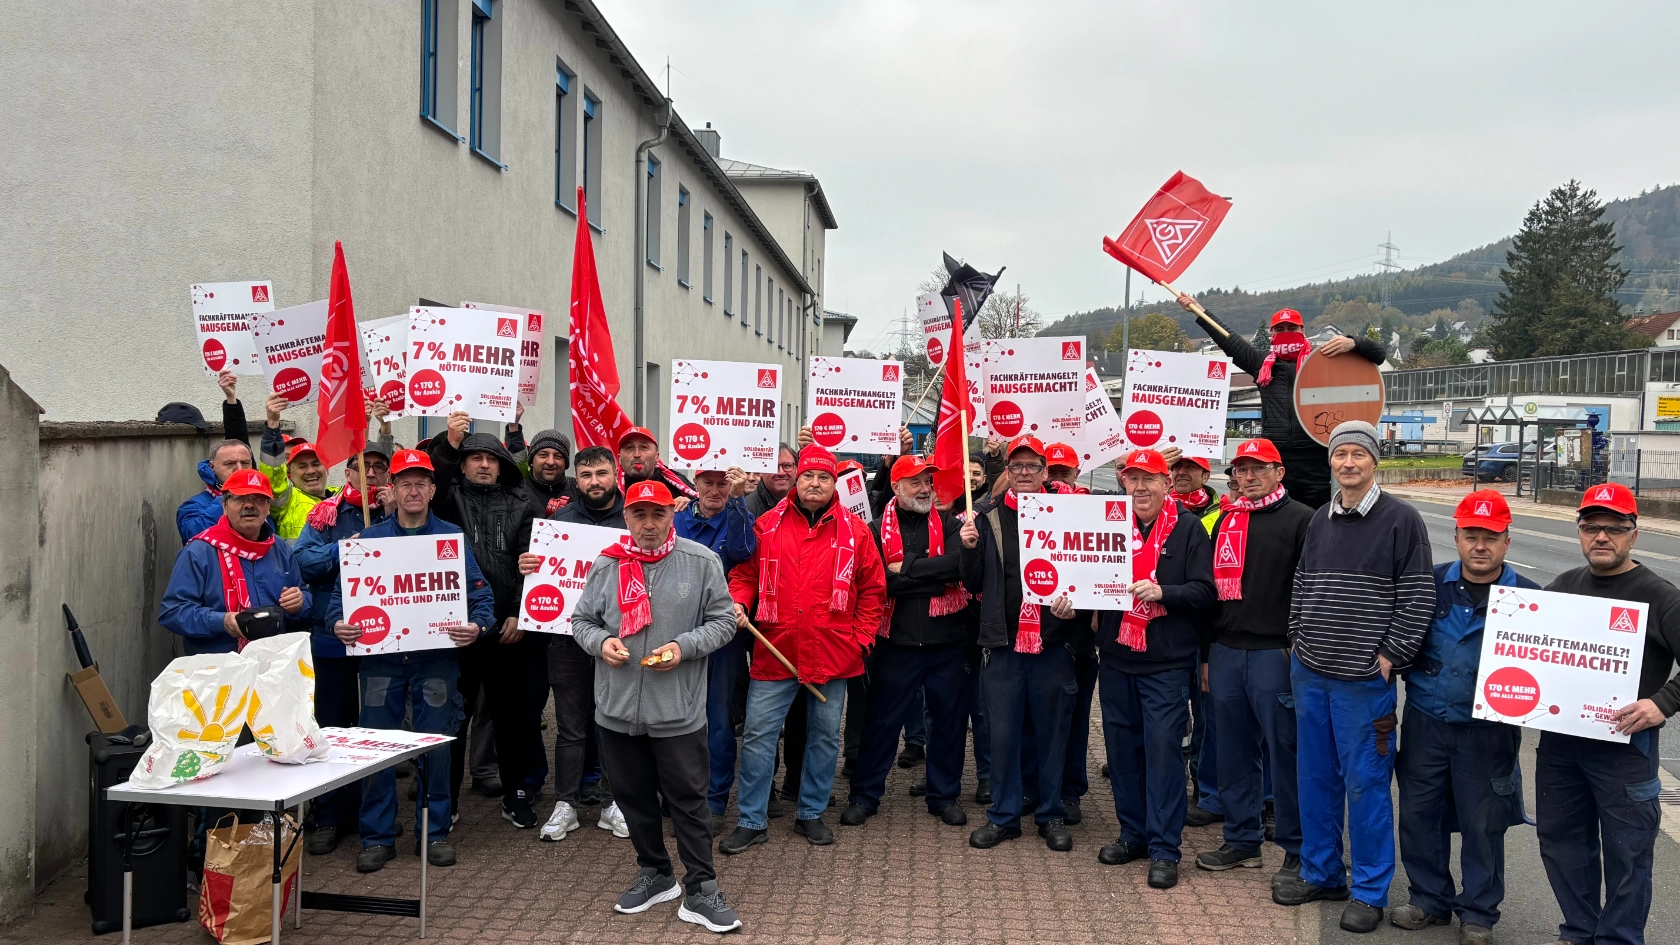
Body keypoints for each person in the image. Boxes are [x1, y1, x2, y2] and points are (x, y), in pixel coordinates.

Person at [1275, 420, 1433, 934]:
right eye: (1340, 453)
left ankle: (1369, 890)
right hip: (1311, 671)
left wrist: (1390, 656)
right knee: (1314, 778)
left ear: (1374, 460)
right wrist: (1297, 636)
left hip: (1364, 682)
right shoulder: (1321, 518)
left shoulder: (1401, 520)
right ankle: (1322, 872)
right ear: (1331, 461)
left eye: (1358, 454)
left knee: (1366, 786)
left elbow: (1417, 595)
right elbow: (1302, 581)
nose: (1348, 462)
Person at [570, 479, 743, 933]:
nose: (648, 524)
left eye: (658, 514)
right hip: (616, 708)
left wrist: (683, 647)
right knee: (633, 797)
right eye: (639, 514)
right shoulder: (607, 563)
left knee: (688, 800)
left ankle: (701, 887)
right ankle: (656, 873)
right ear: (626, 517)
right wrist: (601, 641)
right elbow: (581, 620)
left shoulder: (701, 561)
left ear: (672, 515)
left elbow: (724, 622)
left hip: (677, 710)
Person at [328, 449, 496, 871]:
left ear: (433, 490)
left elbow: (481, 597)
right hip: (380, 664)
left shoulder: (450, 539)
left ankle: (433, 832)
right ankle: (377, 837)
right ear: (394, 489)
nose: (414, 490)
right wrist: (338, 624)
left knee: (435, 748)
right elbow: (338, 601)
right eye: (406, 483)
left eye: (422, 483)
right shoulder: (368, 542)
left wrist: (477, 626)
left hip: (435, 662)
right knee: (376, 749)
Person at [719, 445, 886, 854]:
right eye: (808, 475)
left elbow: (873, 591)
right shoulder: (767, 525)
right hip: (775, 648)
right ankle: (752, 819)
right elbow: (745, 575)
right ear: (798, 478)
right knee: (758, 737)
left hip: (834, 654)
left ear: (834, 483)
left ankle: (811, 812)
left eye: (823, 477)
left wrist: (861, 641)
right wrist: (739, 602)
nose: (814, 483)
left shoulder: (856, 531)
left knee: (825, 738)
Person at [1388, 489, 1536, 945]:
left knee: (1483, 823)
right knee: (1420, 814)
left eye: (1490, 537)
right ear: (1456, 537)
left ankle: (1478, 914)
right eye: (1472, 536)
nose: (1480, 546)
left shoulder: (1532, 599)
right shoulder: (1429, 584)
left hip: (1489, 732)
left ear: (1507, 541)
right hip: (1427, 721)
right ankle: (1428, 899)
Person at [1537, 483, 1680, 945]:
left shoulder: (1661, 596)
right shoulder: (1563, 588)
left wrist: (1662, 702)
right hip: (1561, 747)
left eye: (1615, 528)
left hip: (1625, 750)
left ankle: (1618, 939)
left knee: (1628, 855)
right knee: (1562, 842)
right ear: (1579, 531)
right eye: (1591, 526)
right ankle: (1579, 931)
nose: (1602, 536)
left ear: (1633, 534)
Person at [1192, 438, 1313, 894]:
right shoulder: (1226, 519)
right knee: (1233, 754)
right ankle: (1242, 840)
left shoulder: (1302, 520)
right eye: (1241, 470)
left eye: (1258, 468)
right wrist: (1207, 654)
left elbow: (1310, 590)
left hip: (1274, 654)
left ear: (1279, 473)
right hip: (1226, 651)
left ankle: (1299, 849)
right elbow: (1209, 593)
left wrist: (1297, 649)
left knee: (1288, 754)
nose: (1248, 477)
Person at [1092, 449, 1214, 889]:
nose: (1140, 487)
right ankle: (1133, 834)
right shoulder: (1108, 523)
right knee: (1122, 751)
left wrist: (1165, 593)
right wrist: (1071, 601)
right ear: (1123, 482)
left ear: (1167, 483)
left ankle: (1164, 848)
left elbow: (1205, 592)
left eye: (1149, 478)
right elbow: (1086, 578)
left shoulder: (1188, 528)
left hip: (1165, 664)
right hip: (1116, 658)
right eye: (1133, 478)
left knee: (1163, 754)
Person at [959, 436, 1086, 852]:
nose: (1025, 472)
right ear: (1008, 473)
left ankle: (1051, 814)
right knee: (1003, 736)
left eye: (1033, 465)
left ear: (1046, 471)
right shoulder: (987, 517)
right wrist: (968, 548)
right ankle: (1004, 816)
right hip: (1003, 646)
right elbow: (972, 583)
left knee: (1052, 735)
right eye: (1017, 466)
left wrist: (1077, 608)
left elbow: (1090, 574)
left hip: (1054, 644)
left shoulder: (1072, 514)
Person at [842, 455, 974, 829]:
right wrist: (933, 580)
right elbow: (879, 581)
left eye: (927, 481)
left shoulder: (951, 524)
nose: (924, 488)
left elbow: (958, 568)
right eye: (915, 482)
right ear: (896, 487)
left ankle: (943, 796)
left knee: (948, 725)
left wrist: (909, 568)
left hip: (947, 642)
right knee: (881, 724)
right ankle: (864, 796)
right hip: (895, 644)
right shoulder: (873, 529)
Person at [428, 412, 541, 831]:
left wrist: (518, 612)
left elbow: (532, 563)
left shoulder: (523, 503)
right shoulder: (446, 498)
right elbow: (436, 473)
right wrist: (451, 439)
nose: (484, 464)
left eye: (491, 459)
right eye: (475, 457)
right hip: (456, 630)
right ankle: (448, 801)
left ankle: (516, 795)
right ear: (463, 465)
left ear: (502, 465)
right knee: (453, 720)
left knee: (512, 719)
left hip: (507, 630)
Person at [1177, 298, 1386, 509]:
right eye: (1280, 329)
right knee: (1280, 519)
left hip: (1316, 460)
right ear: (1272, 334)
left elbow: (1378, 355)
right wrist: (1199, 311)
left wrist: (1354, 343)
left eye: (1291, 328)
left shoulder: (1323, 360)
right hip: (1276, 460)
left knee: (1318, 519)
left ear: (1303, 330)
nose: (1286, 332)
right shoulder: (1261, 363)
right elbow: (1229, 340)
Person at [293, 446, 393, 855]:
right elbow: (303, 562)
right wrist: (345, 550)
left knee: (375, 731)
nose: (370, 473)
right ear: (348, 473)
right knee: (333, 727)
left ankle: (373, 814)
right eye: (362, 466)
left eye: (379, 467)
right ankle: (331, 814)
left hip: (384, 642)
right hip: (333, 640)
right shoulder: (326, 515)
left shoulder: (399, 513)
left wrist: (389, 521)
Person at [529, 444, 628, 840]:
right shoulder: (560, 522)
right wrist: (530, 566)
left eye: (601, 473)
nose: (594, 482)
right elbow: (544, 576)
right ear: (577, 479)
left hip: (620, 639)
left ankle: (611, 802)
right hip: (567, 639)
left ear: (615, 474)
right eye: (586, 475)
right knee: (570, 728)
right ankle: (565, 804)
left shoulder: (632, 518)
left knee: (613, 725)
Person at [674, 467, 758, 822]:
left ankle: (714, 800)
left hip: (723, 637)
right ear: (695, 484)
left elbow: (744, 553)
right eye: (707, 483)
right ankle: (680, 794)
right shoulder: (676, 517)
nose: (715, 490)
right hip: (677, 634)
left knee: (718, 720)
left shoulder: (740, 515)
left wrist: (737, 502)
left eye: (722, 483)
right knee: (676, 719)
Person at [160, 469, 310, 655]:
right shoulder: (199, 551)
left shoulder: (280, 548)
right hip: (219, 665)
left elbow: (304, 596)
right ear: (224, 505)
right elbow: (173, 612)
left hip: (274, 661)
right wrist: (222, 621)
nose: (250, 505)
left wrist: (300, 602)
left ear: (268, 507)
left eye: (258, 498)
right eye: (240, 498)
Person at [174, 372, 254, 543]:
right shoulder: (194, 506)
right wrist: (230, 497)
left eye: (245, 463)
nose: (239, 469)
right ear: (212, 467)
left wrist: (232, 399)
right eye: (230, 463)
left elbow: (239, 437)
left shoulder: (260, 501)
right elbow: (194, 535)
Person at [618, 426, 697, 500]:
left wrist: (689, 505)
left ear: (656, 457)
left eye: (643, 447)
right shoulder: (613, 488)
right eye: (629, 448)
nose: (637, 454)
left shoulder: (677, 485)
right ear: (619, 459)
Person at [744, 444, 797, 517]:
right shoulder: (747, 510)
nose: (781, 473)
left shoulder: (808, 503)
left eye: (787, 466)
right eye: (773, 467)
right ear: (761, 471)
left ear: (797, 469)